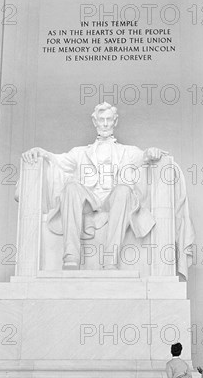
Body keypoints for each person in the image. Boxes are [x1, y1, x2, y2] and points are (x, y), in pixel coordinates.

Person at [21, 102, 167, 269]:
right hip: (89, 201)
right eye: (101, 120)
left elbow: (145, 156)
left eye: (109, 120)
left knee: (124, 190)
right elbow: (57, 160)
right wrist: (41, 152)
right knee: (71, 187)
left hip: (113, 199)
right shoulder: (79, 152)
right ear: (94, 121)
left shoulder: (128, 151)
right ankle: (71, 256)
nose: (105, 124)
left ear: (115, 121)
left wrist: (151, 152)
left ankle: (110, 260)